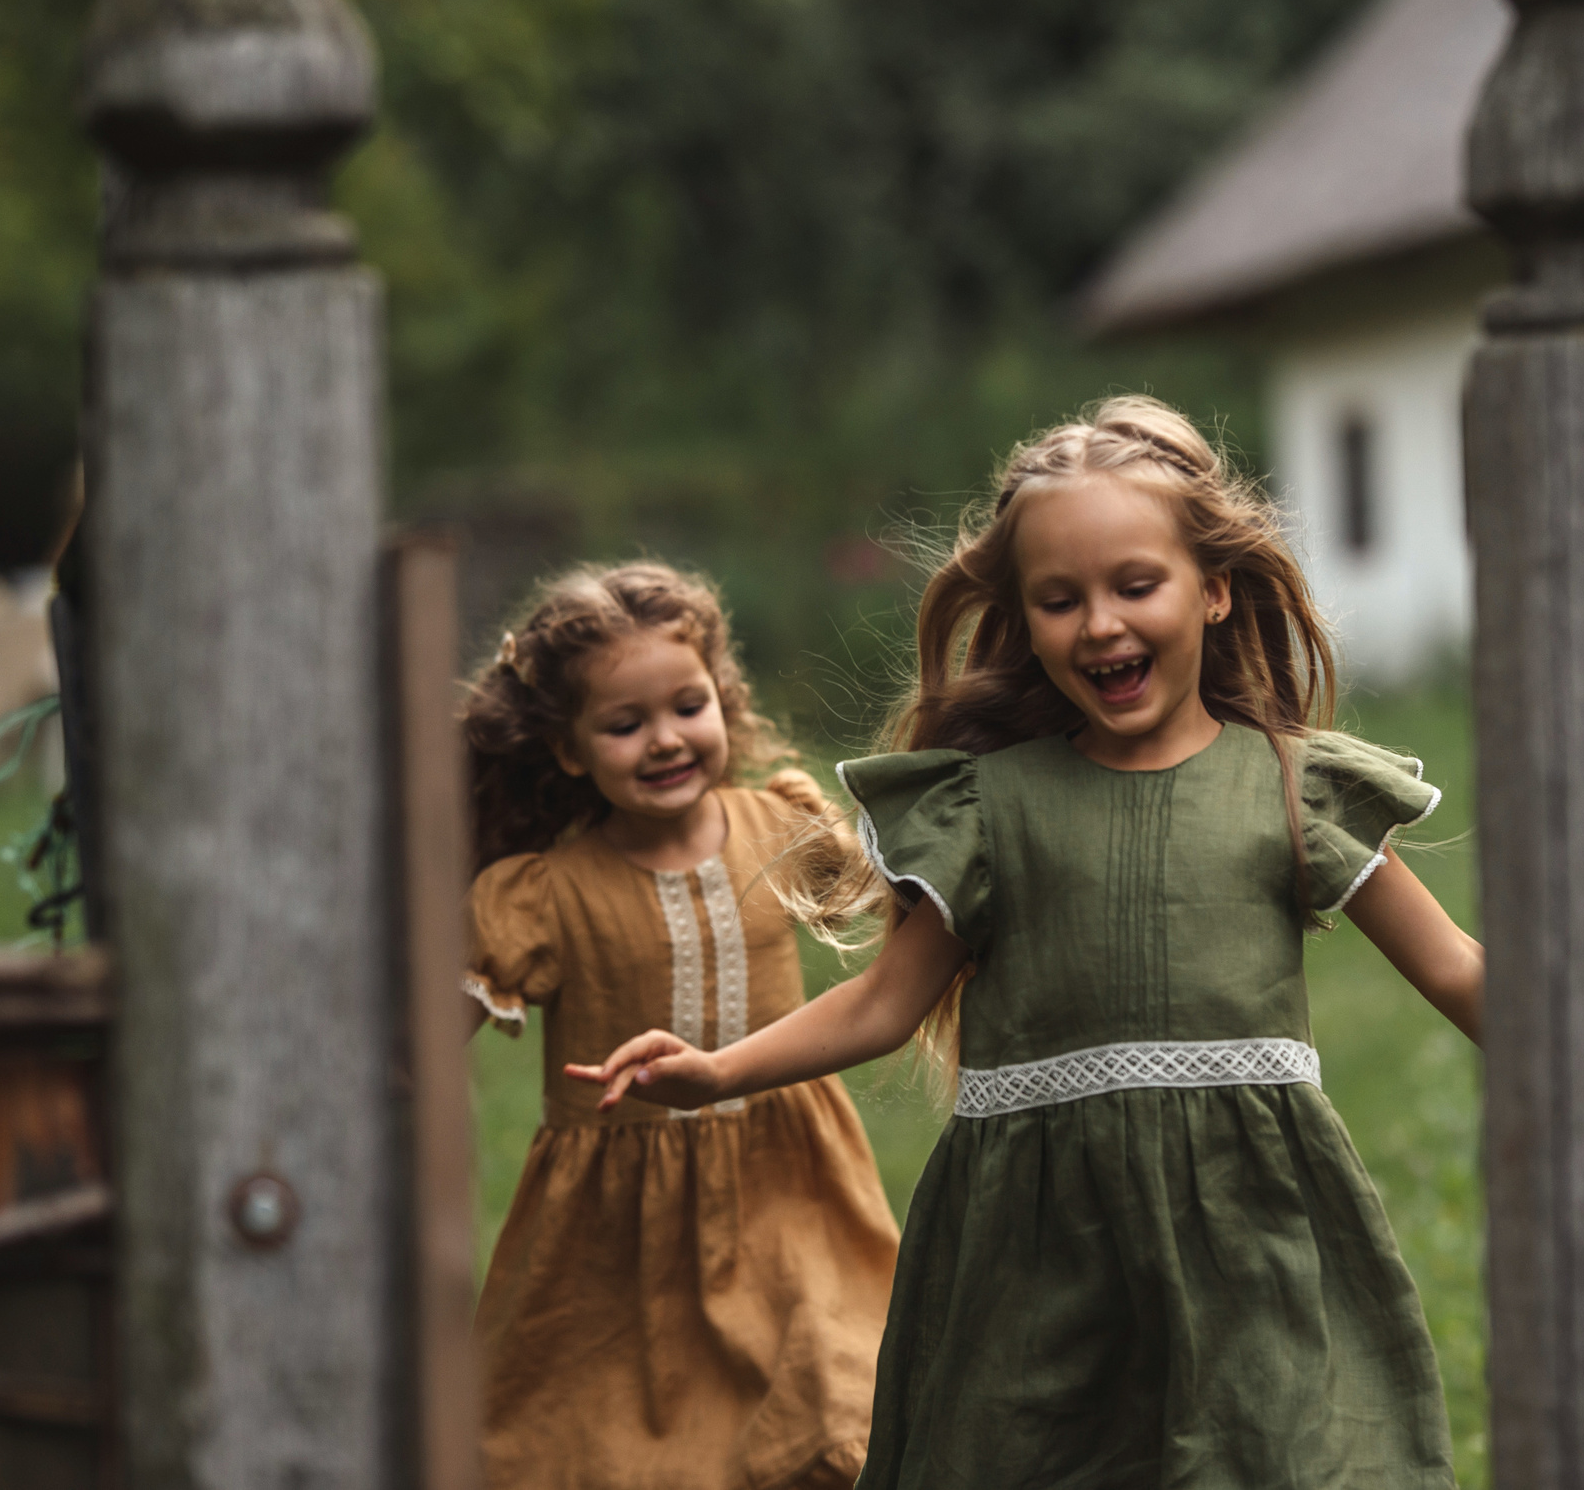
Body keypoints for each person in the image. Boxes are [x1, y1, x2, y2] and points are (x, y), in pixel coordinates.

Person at [573, 398, 1485, 1488]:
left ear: (1215, 587)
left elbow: (1455, 970)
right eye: (1060, 599)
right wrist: (717, 1069)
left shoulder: (1294, 787)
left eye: (1134, 585)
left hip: (1251, 1229)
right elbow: (879, 1005)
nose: (1099, 624)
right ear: (1023, 616)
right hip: (1034, 1251)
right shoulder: (987, 806)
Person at [459, 561, 900, 1490]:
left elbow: (899, 906)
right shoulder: (546, 891)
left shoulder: (777, 823)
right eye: (625, 724)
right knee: (615, 1434)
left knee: (832, 1392)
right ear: (571, 750)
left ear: (723, 701)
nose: (665, 739)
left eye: (686, 706)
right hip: (618, 1222)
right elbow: (434, 1022)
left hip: (792, 1185)